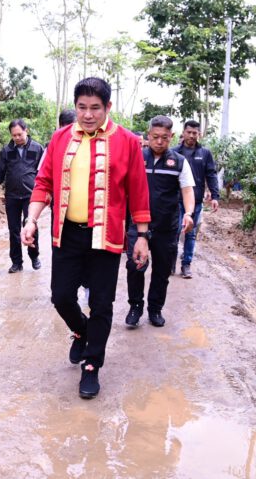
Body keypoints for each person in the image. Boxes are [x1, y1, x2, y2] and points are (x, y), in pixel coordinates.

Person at [21, 77, 151, 400]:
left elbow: (138, 191)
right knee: (61, 296)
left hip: (105, 238)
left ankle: (92, 364)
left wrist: (143, 236)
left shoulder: (128, 142)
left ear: (108, 107)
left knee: (102, 303)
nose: (88, 114)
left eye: (95, 108)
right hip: (67, 236)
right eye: (82, 107)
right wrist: (32, 219)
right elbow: (44, 183)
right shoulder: (60, 138)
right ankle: (81, 330)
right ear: (75, 106)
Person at [125, 116, 195, 328]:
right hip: (137, 226)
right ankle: (135, 306)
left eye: (165, 138)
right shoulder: (137, 157)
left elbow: (187, 190)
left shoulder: (179, 162)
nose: (159, 142)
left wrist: (189, 213)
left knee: (162, 271)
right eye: (155, 137)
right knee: (135, 266)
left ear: (172, 137)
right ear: (148, 135)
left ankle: (155, 309)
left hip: (166, 227)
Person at [0, 119, 44, 273]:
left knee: (30, 227)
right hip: (12, 197)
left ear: (26, 130)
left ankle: (34, 257)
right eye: (14, 135)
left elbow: (43, 173)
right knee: (13, 229)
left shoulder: (37, 148)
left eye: (19, 134)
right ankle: (16, 263)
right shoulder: (6, 151)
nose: (17, 138)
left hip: (30, 196)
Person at [171, 120, 220, 278]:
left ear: (199, 134)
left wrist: (215, 196)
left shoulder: (204, 153)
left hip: (196, 200)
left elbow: (211, 174)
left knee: (190, 234)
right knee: (175, 231)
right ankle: (170, 263)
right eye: (189, 132)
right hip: (175, 199)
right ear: (183, 132)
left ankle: (186, 265)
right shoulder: (174, 152)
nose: (192, 136)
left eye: (195, 133)